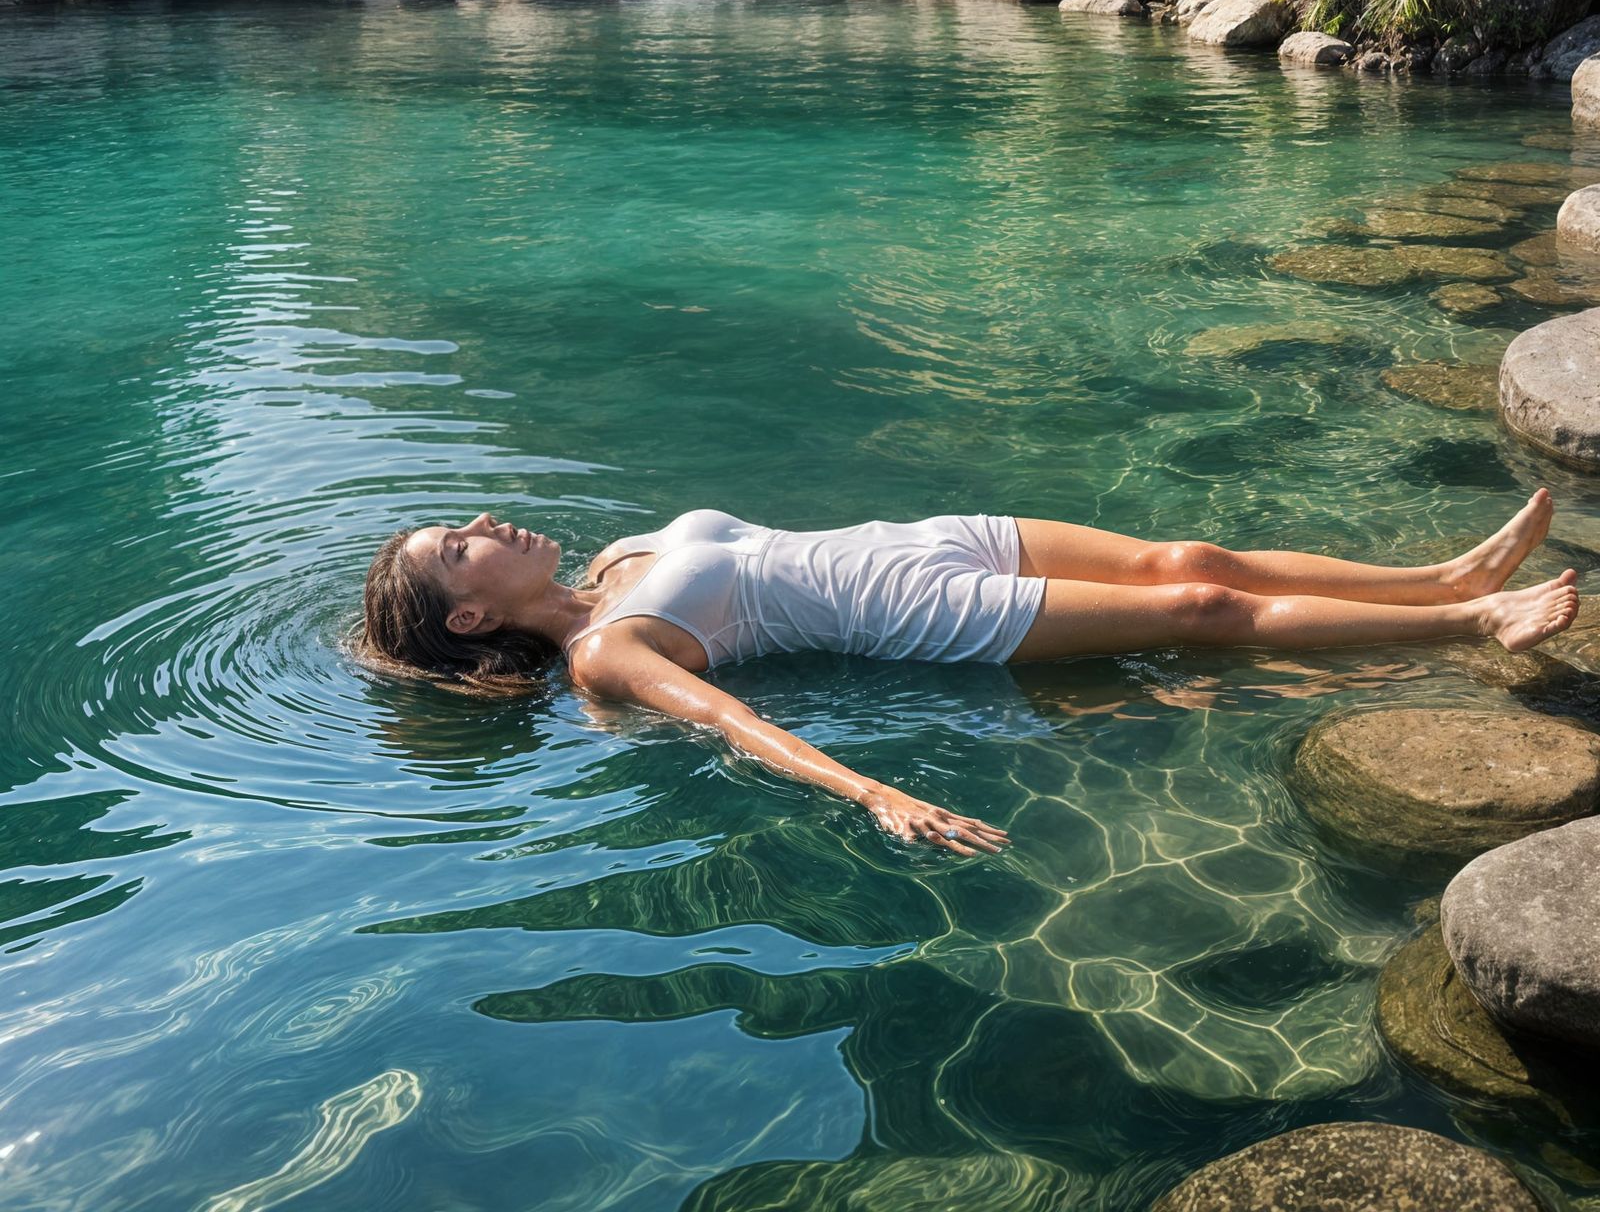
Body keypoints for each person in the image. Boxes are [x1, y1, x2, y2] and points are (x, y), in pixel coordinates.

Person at [355, 490, 1579, 855]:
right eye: (461, 544)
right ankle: (1475, 626)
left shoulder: (614, 561)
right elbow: (732, 724)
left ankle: (1440, 575)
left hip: (931, 537)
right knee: (1201, 611)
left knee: (1188, 557)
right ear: (470, 615)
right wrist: (873, 793)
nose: (488, 522)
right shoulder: (605, 655)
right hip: (925, 610)